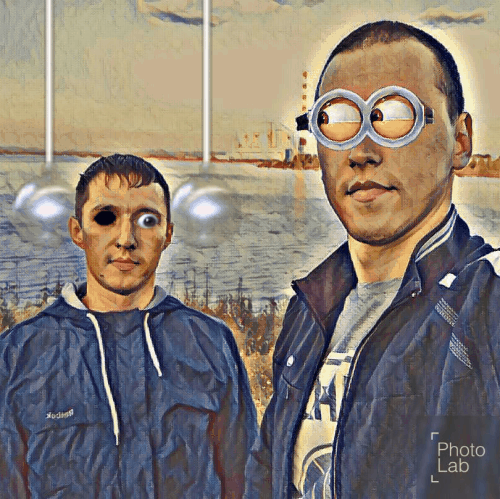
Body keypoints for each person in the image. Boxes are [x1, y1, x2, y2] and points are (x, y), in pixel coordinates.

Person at [246, 21, 500, 498]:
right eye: (337, 119)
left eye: (394, 116)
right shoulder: (310, 308)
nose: (361, 151)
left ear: (460, 140)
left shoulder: (485, 308)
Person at [0, 154, 257, 498]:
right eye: (105, 217)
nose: (126, 239)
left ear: (167, 234)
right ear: (78, 231)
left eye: (147, 220)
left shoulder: (210, 342)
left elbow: (248, 482)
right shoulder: (19, 355)